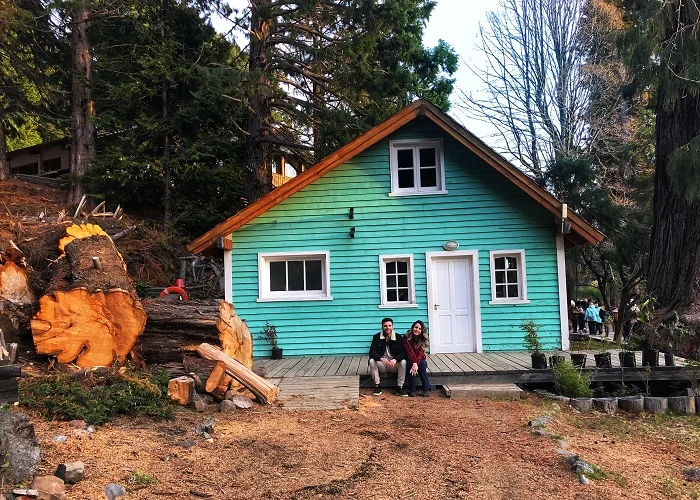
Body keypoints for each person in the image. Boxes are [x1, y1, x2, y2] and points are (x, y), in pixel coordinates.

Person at [368, 318, 407, 396]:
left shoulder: (398, 337)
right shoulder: (376, 337)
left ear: (393, 327)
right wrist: (381, 358)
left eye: (389, 325)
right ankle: (377, 386)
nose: (388, 328)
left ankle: (399, 387)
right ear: (382, 327)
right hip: (383, 364)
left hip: (393, 365)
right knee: (371, 361)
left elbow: (403, 353)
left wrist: (395, 360)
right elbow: (372, 352)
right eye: (385, 326)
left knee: (403, 362)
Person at [403, 320, 431, 397]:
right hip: (409, 357)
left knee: (422, 364)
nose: (417, 330)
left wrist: (416, 364)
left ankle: (425, 388)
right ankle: (412, 389)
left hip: (419, 358)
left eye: (419, 329)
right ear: (413, 327)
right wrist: (414, 363)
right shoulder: (406, 336)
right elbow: (409, 351)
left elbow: (420, 353)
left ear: (422, 331)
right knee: (409, 364)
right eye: (416, 327)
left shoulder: (422, 339)